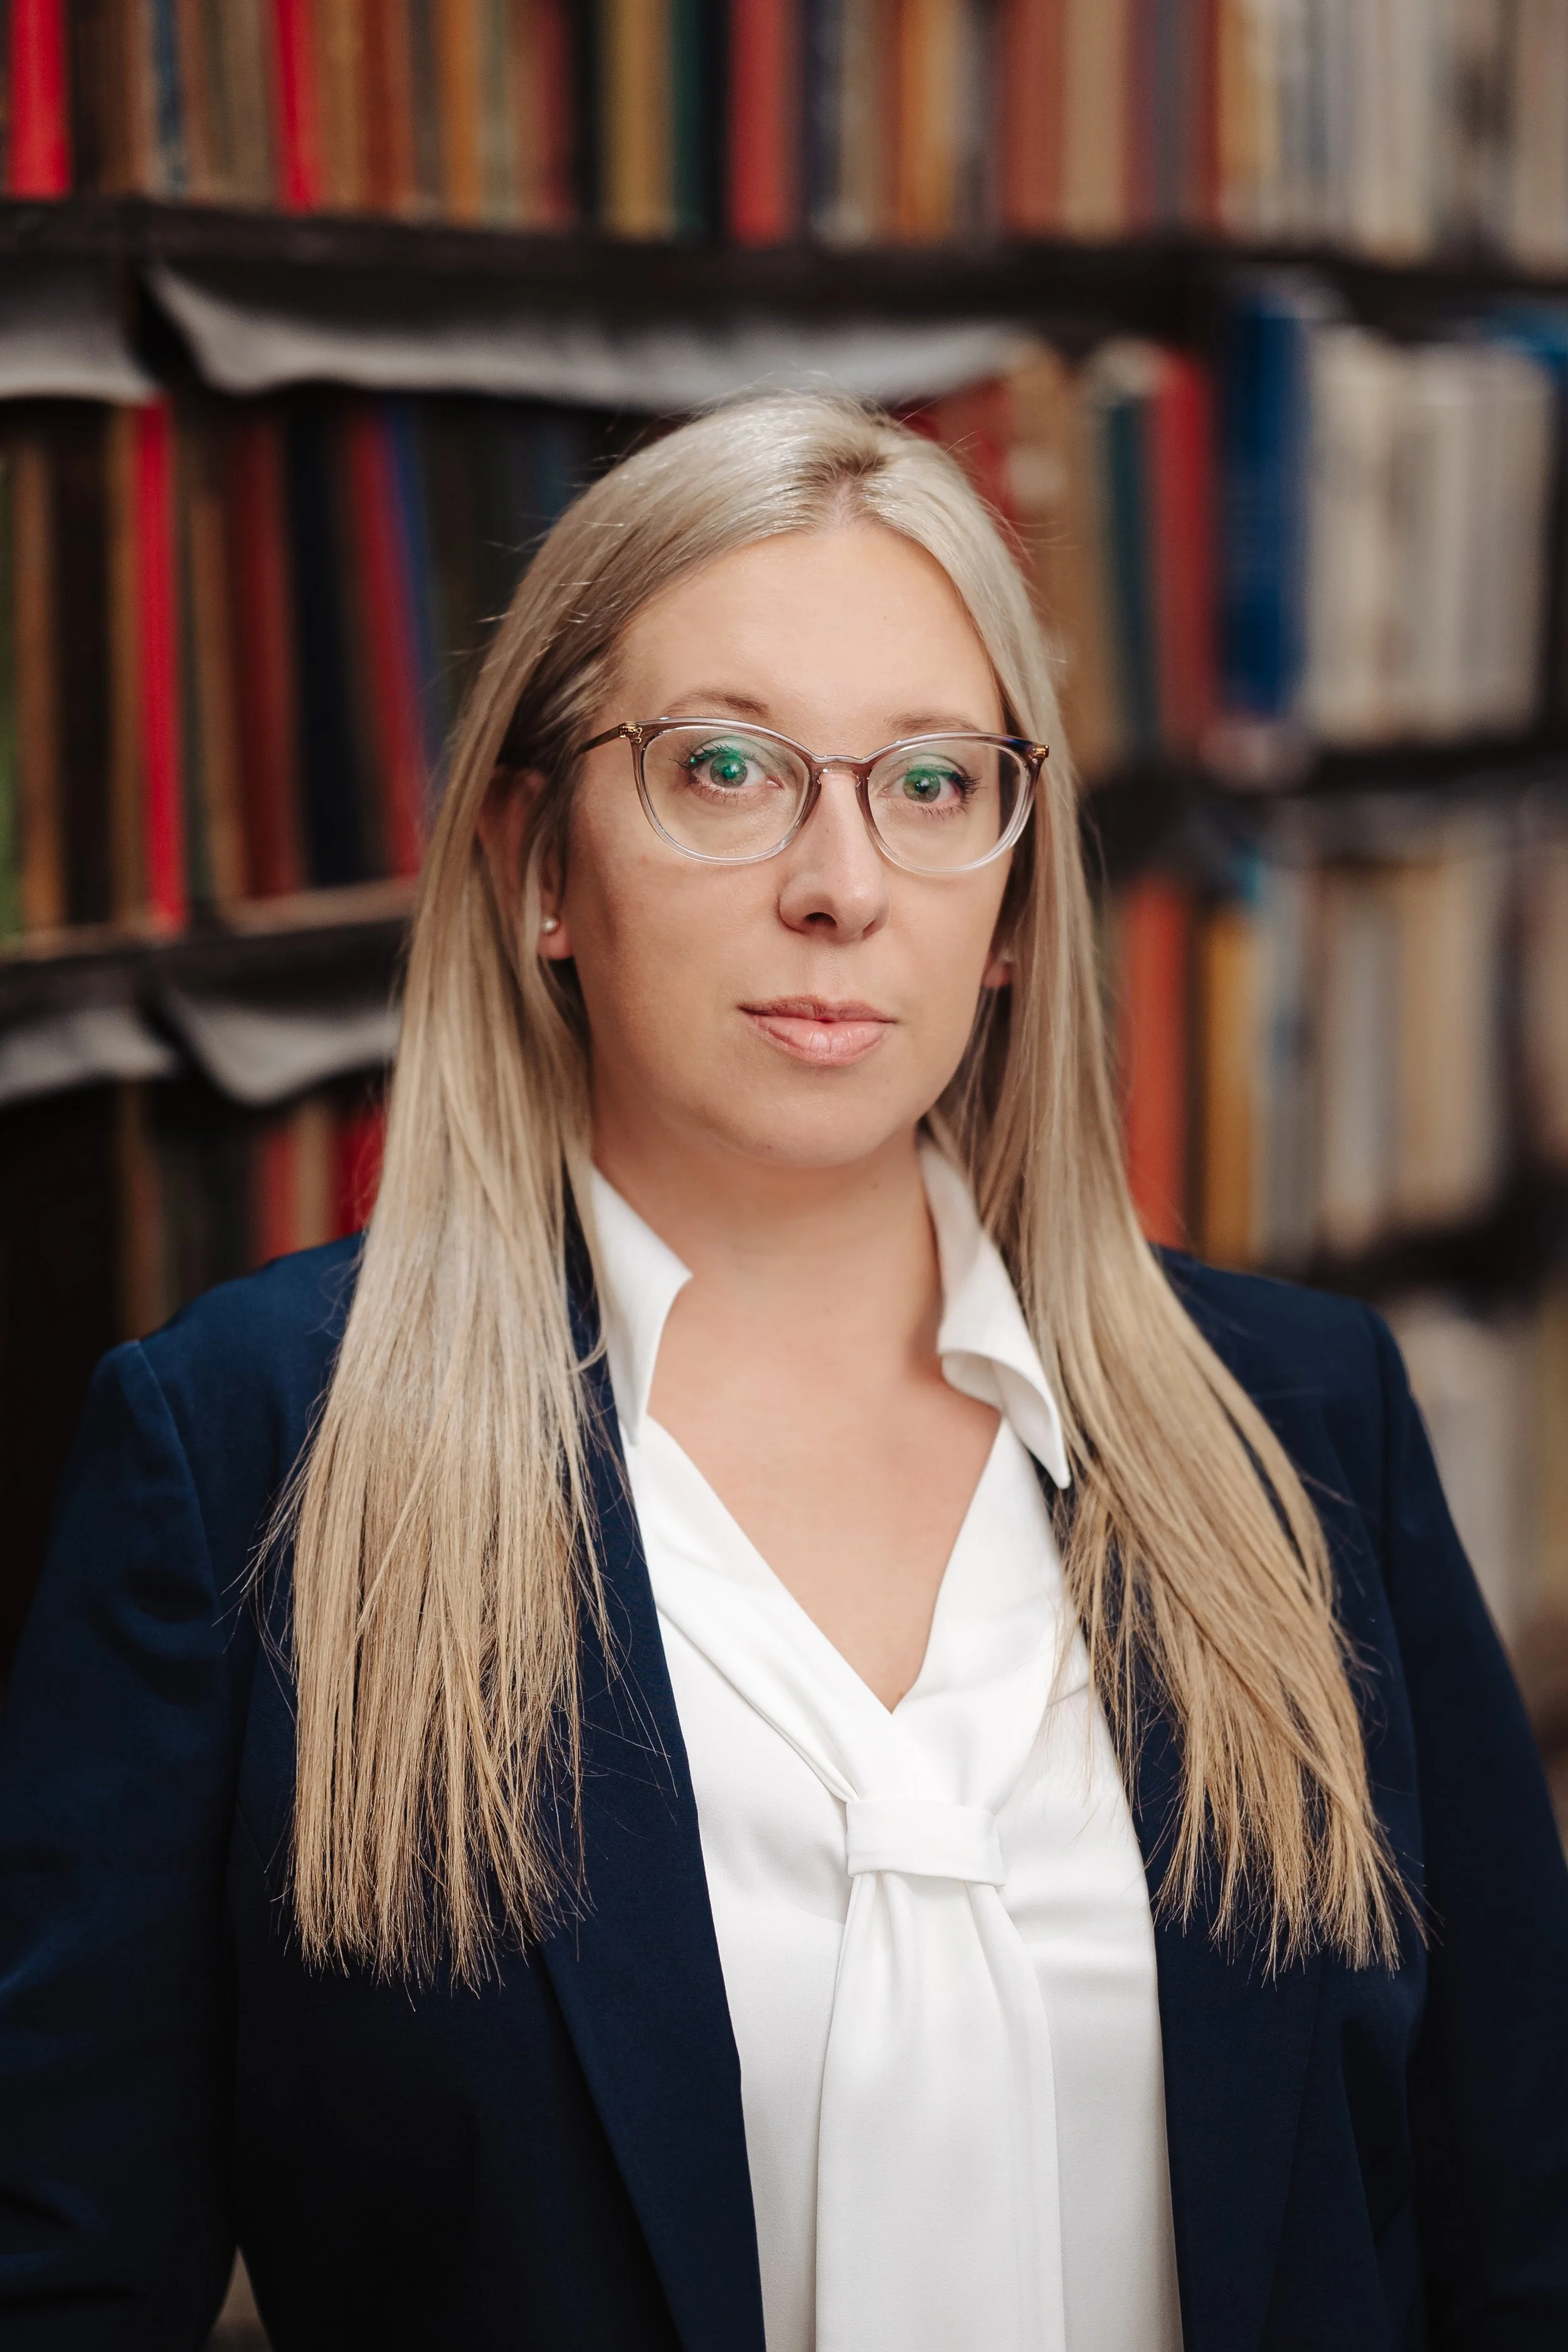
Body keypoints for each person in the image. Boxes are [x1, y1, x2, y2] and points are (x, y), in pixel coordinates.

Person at [1, 393, 1564, 2352]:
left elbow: (1519, 2228)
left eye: (927, 783)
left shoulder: (1299, 1427)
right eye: (725, 766)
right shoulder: (244, 1455)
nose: (842, 883)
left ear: (1008, 901)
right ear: (536, 866)